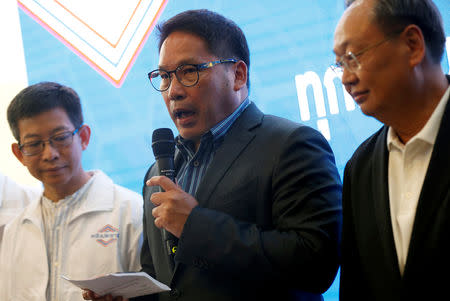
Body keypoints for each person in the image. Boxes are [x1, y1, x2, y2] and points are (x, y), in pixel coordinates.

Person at [85, 9, 342, 301]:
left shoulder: (290, 145)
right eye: (165, 76)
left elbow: (315, 264)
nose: (173, 91)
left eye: (189, 72)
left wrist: (196, 226)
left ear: (238, 74)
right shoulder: (157, 172)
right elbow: (166, 282)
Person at [333, 0, 450, 300]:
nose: (346, 78)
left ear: (412, 45)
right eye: (339, 64)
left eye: (353, 57)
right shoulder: (359, 168)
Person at [0, 82, 143, 301]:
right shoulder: (14, 231)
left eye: (60, 137)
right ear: (19, 154)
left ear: (84, 137)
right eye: (34, 143)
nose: (50, 154)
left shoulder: (132, 212)